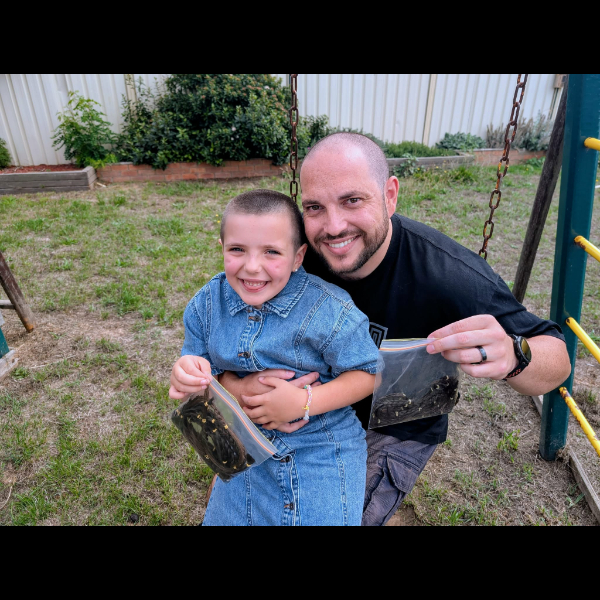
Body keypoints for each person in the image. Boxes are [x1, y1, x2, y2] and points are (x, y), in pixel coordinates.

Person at [221, 132, 572, 527]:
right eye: (315, 207)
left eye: (353, 200)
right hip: (303, 409)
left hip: (394, 424)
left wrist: (513, 354)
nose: (333, 227)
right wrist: (239, 386)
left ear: (390, 195)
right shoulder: (295, 255)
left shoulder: (449, 277)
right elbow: (224, 330)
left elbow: (557, 360)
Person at [169, 189, 380, 526]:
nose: (252, 267)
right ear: (221, 247)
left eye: (271, 252)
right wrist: (187, 372)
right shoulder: (206, 305)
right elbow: (198, 365)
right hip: (243, 442)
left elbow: (369, 373)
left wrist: (304, 402)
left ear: (298, 257)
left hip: (321, 451)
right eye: (237, 249)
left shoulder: (329, 309)